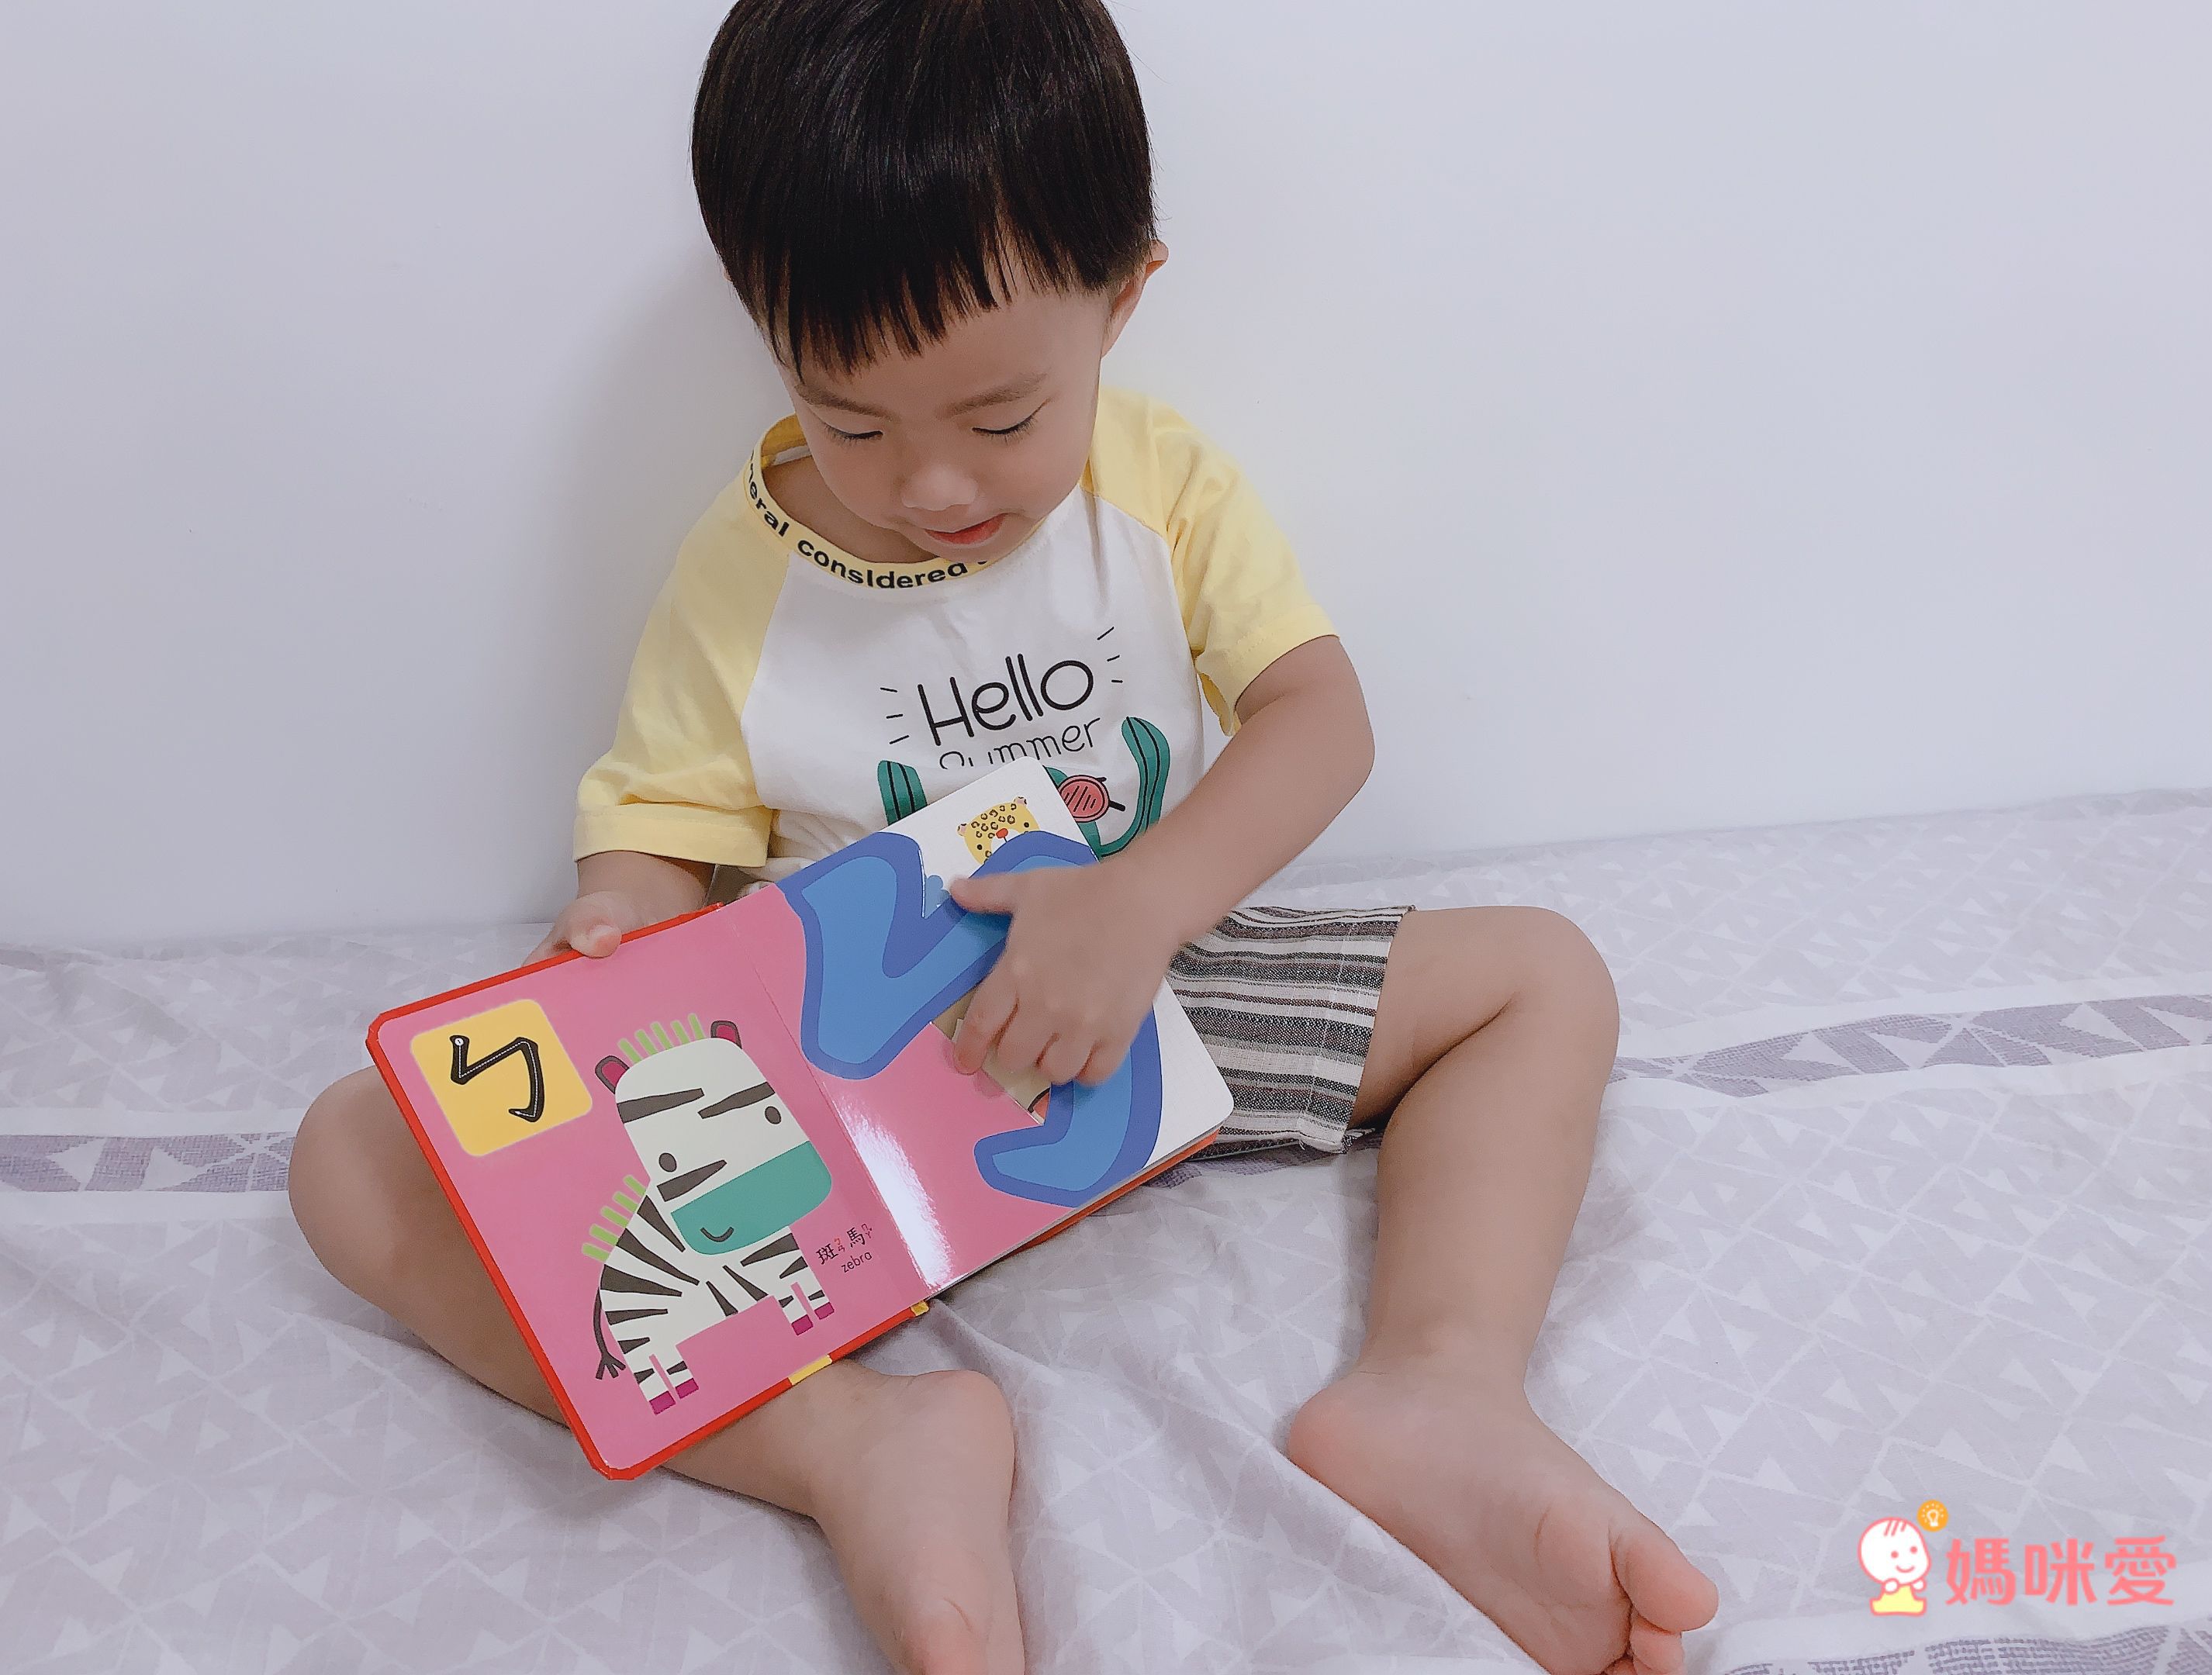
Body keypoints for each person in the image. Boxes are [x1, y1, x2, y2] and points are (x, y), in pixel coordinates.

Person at [288, 2, 1720, 1670]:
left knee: (1541, 976)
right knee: (355, 1153)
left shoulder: (1162, 493)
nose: (933, 490)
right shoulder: (739, 578)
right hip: (844, 1110)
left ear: (1122, 300)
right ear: (771, 341)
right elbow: (657, 839)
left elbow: (1319, 719)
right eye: (854, 424)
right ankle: (854, 1445)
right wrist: (621, 932)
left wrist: (1141, 906)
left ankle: (1439, 1386)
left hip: (1143, 1017)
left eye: (999, 419)